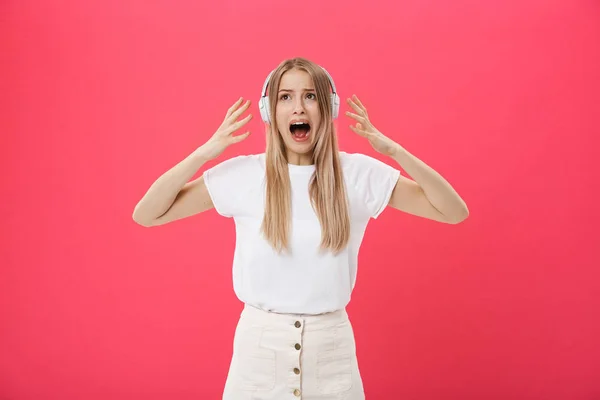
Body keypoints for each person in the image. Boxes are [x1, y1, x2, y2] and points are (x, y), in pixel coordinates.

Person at [132, 57, 469, 400]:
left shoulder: (356, 175)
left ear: (327, 108)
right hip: (257, 359)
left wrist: (394, 150)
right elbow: (147, 213)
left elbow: (453, 211)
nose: (299, 108)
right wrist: (205, 153)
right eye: (285, 97)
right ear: (270, 111)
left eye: (310, 96)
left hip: (332, 356)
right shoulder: (244, 176)